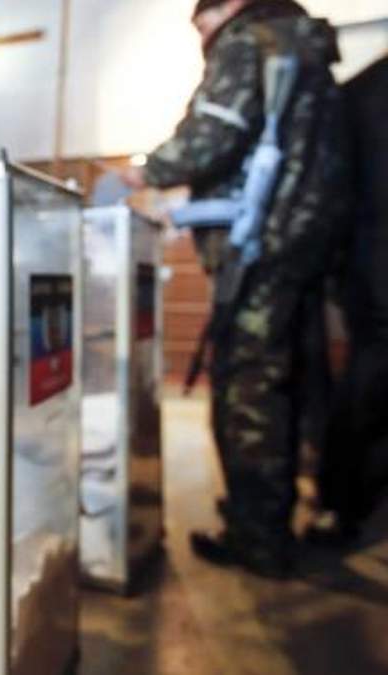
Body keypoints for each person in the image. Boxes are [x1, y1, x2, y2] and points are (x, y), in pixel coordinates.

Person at [121, 0, 349, 578]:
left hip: (259, 246)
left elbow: (210, 138)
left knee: (247, 389)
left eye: (202, 22)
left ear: (226, 8)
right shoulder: (301, 46)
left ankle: (257, 537)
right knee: (292, 376)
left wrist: (144, 171)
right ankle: (277, 511)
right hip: (303, 239)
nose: (202, 35)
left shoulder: (248, 40)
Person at [311, 54, 388, 545]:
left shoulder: (361, 91)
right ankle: (343, 500)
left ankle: (344, 502)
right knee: (369, 380)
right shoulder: (365, 92)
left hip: (368, 265)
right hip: (374, 269)